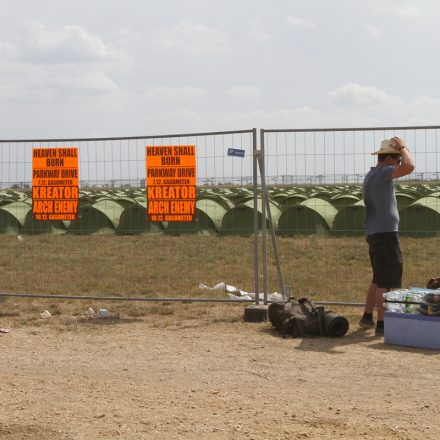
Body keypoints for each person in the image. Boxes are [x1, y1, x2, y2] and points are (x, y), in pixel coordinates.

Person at [359, 137, 415, 336]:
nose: (400, 163)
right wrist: (404, 147)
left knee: (378, 278)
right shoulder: (383, 173)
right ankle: (382, 324)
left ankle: (367, 317)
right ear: (390, 159)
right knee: (386, 282)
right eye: (398, 159)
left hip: (376, 233)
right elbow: (410, 167)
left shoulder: (371, 174)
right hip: (385, 235)